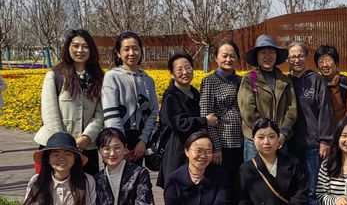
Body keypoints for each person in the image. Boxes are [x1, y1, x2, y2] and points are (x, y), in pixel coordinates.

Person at [35, 29, 104, 175]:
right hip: (56, 147)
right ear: (68, 47)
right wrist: (63, 143)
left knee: (87, 186)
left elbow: (100, 113)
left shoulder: (99, 77)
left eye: (85, 46)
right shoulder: (55, 75)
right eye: (75, 46)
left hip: (86, 147)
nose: (80, 50)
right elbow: (49, 113)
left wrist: (87, 137)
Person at [287, 41, 335, 205]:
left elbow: (325, 110)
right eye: (293, 56)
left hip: (313, 145)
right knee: (293, 188)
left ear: (306, 57)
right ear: (288, 59)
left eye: (300, 55)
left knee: (313, 189)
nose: (297, 60)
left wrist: (325, 140)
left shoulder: (316, 80)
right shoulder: (285, 81)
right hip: (290, 143)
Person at [199, 40, 243, 205]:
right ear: (216, 58)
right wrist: (215, 147)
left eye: (232, 55)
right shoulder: (210, 81)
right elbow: (206, 116)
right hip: (222, 145)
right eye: (224, 55)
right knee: (222, 188)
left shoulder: (241, 81)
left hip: (241, 143)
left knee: (238, 188)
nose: (228, 59)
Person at [157, 52, 217, 188]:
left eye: (188, 68)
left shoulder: (194, 93)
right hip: (177, 152)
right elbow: (180, 124)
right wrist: (205, 120)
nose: (185, 72)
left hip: (195, 150)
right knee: (178, 191)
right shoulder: (171, 97)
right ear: (172, 74)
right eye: (179, 69)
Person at [101, 31, 158, 165]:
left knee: (136, 176)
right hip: (116, 140)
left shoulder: (148, 80)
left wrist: (143, 141)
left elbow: (153, 112)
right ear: (118, 53)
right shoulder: (112, 77)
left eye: (135, 48)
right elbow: (111, 114)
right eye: (126, 49)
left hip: (139, 141)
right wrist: (120, 145)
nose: (131, 53)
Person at [238, 34, 298, 161]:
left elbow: (291, 109)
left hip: (279, 139)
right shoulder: (250, 78)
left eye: (271, 52)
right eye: (263, 52)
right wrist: (264, 133)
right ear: (257, 56)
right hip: (255, 139)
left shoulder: (284, 80)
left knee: (278, 172)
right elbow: (247, 109)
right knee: (255, 172)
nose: (267, 56)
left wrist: (283, 133)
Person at [314, 44, 347, 123]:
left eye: (328, 60)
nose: (325, 65)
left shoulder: (346, 83)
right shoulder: (316, 84)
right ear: (317, 66)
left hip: (341, 129)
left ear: (336, 63)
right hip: (320, 130)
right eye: (321, 61)